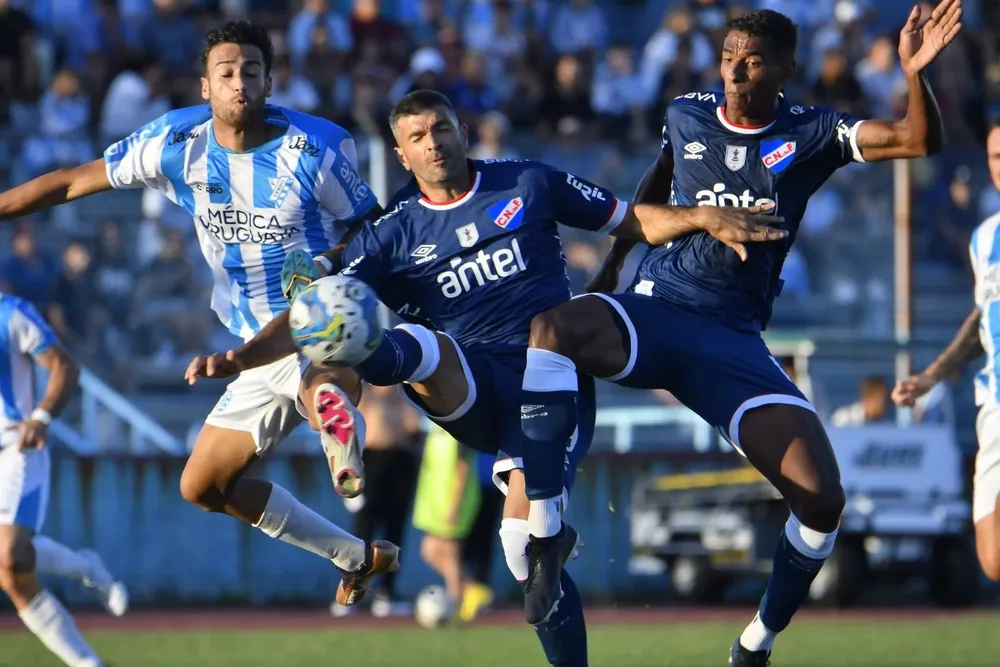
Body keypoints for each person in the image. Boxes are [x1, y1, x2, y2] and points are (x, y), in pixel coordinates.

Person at [194, 89, 787, 666]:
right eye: (417, 137)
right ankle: (354, 379)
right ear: (402, 154)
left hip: (551, 386)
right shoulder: (393, 231)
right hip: (471, 386)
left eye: (440, 128)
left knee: (522, 552)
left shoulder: (526, 181)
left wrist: (702, 217)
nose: (433, 143)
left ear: (462, 131)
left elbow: (629, 219)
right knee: (411, 341)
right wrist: (242, 357)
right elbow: (311, 310)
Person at [514, 5, 959, 666]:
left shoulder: (812, 131)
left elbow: (918, 141)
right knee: (552, 327)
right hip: (655, 310)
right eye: (728, 58)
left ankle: (756, 643)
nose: (734, 72)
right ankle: (547, 530)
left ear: (786, 69)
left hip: (731, 341)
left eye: (751, 61)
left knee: (822, 497)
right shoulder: (685, 112)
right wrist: (615, 260)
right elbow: (658, 178)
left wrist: (914, 75)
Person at [0, 21, 399, 607]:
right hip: (249, 345)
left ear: (270, 82)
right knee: (203, 485)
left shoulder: (315, 148)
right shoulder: (174, 141)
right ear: (205, 85)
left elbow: (375, 229)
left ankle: (333, 415)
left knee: (322, 365)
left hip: (317, 318)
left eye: (252, 72)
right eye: (226, 72)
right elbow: (70, 182)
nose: (240, 83)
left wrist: (328, 261)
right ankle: (355, 554)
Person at [893, 117, 1000, 583]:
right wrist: (931, 374)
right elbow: (983, 318)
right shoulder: (985, 238)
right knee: (993, 559)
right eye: (996, 156)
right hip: (994, 402)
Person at [0, 292, 129, 667]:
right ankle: (84, 571)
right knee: (13, 574)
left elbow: (64, 366)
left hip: (17, 447)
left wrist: (41, 417)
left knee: (10, 555)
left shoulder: (10, 313)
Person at [334, 382, 421, 618]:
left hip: (401, 460)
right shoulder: (364, 394)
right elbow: (345, 435)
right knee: (362, 532)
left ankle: (387, 593)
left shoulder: (405, 395)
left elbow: (414, 429)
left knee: (395, 530)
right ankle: (351, 591)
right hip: (371, 462)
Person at [412, 424, 481, 618]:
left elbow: (463, 469)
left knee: (450, 554)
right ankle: (468, 588)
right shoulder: (435, 432)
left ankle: (456, 605)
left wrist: (455, 505)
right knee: (430, 551)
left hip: (452, 502)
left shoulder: (459, 435)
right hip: (436, 502)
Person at [459, 450, 505, 622]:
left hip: (491, 483)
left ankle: (477, 590)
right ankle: (465, 590)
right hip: (472, 484)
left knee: (484, 539)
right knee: (466, 540)